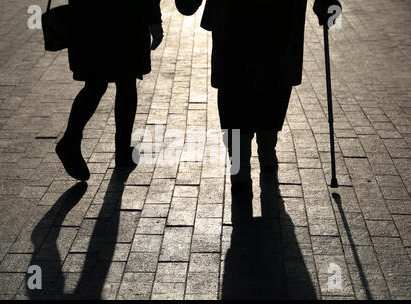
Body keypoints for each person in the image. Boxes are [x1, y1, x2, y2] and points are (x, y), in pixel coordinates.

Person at [175, 0, 342, 222]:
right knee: (272, 81)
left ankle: (244, 160)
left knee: (236, 88)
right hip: (277, 18)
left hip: (234, 19)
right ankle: (265, 146)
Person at [56, 1, 164, 181]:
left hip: (90, 16)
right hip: (128, 16)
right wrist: (154, 20)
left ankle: (71, 140)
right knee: (126, 81)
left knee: (96, 82)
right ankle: (121, 151)